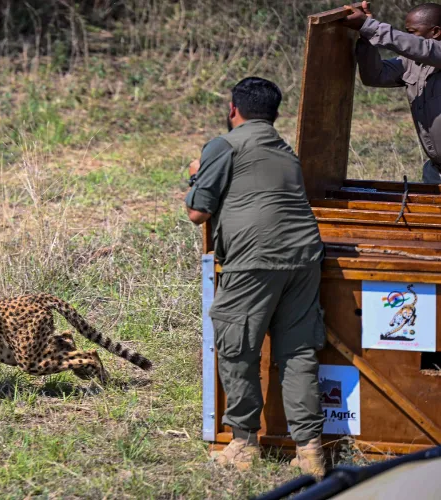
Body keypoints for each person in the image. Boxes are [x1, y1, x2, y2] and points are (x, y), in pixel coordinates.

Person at [185, 77, 327, 476]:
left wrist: (197, 174)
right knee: (298, 352)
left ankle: (244, 444)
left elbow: (198, 212)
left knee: (236, 347)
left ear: (234, 110)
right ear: (274, 113)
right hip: (305, 255)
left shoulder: (224, 144)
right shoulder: (285, 149)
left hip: (254, 259)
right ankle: (311, 451)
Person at [342, 2, 441, 184]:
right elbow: (376, 76)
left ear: (435, 32)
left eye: (412, 32)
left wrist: (369, 25)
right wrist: (366, 37)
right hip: (435, 171)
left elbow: (423, 49)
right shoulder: (412, 63)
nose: (408, 37)